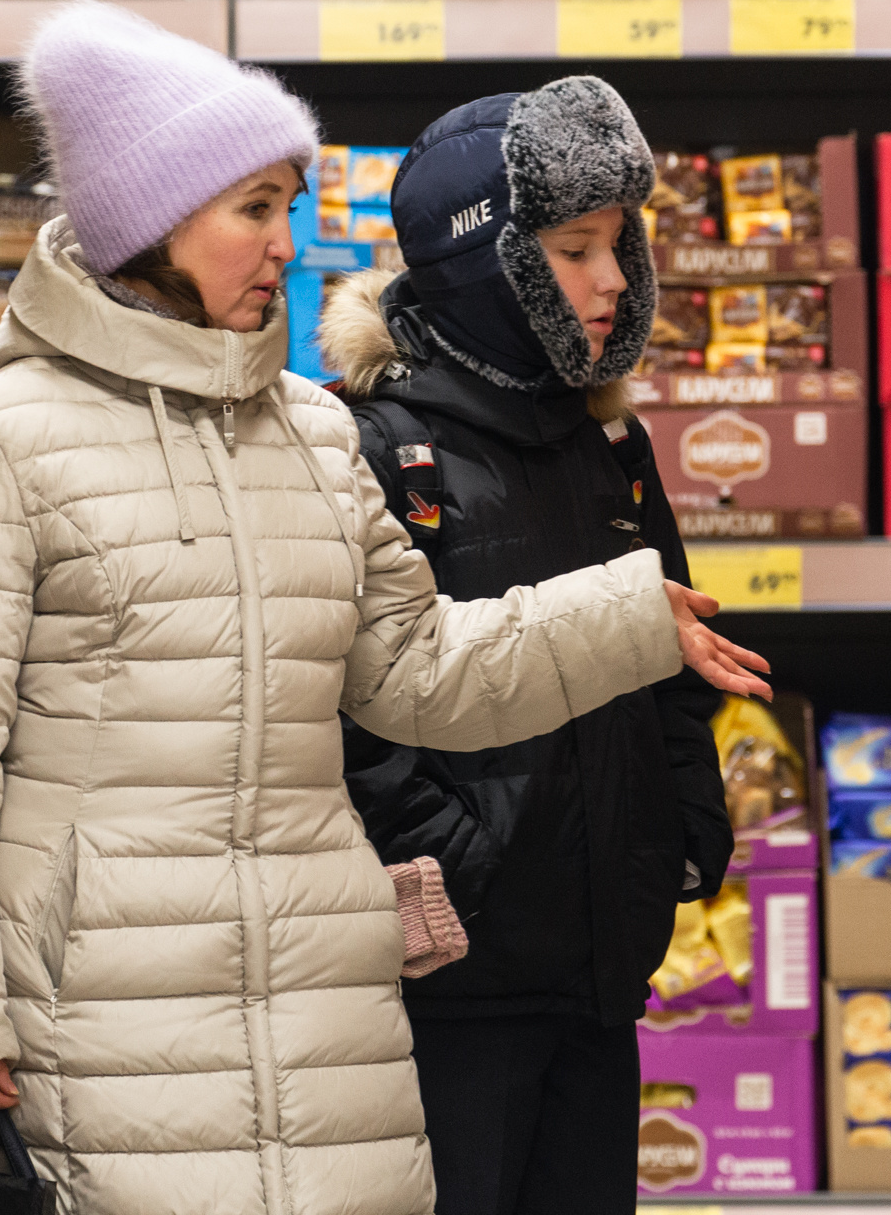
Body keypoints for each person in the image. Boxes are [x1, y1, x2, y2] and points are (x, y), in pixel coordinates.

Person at [0, 2, 770, 1215]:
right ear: (148, 219)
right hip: (103, 1009)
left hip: (324, 1008)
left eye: (289, 206)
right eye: (253, 209)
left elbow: (416, 667)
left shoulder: (313, 427)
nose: (286, 245)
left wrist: (625, 616)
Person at [322, 78, 754, 1215]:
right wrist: (451, 860)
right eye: (574, 248)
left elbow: (673, 648)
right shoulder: (367, 446)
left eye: (619, 245)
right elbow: (342, 707)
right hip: (450, 988)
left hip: (603, 966)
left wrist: (683, 824)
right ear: (488, 260)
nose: (612, 281)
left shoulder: (608, 439)